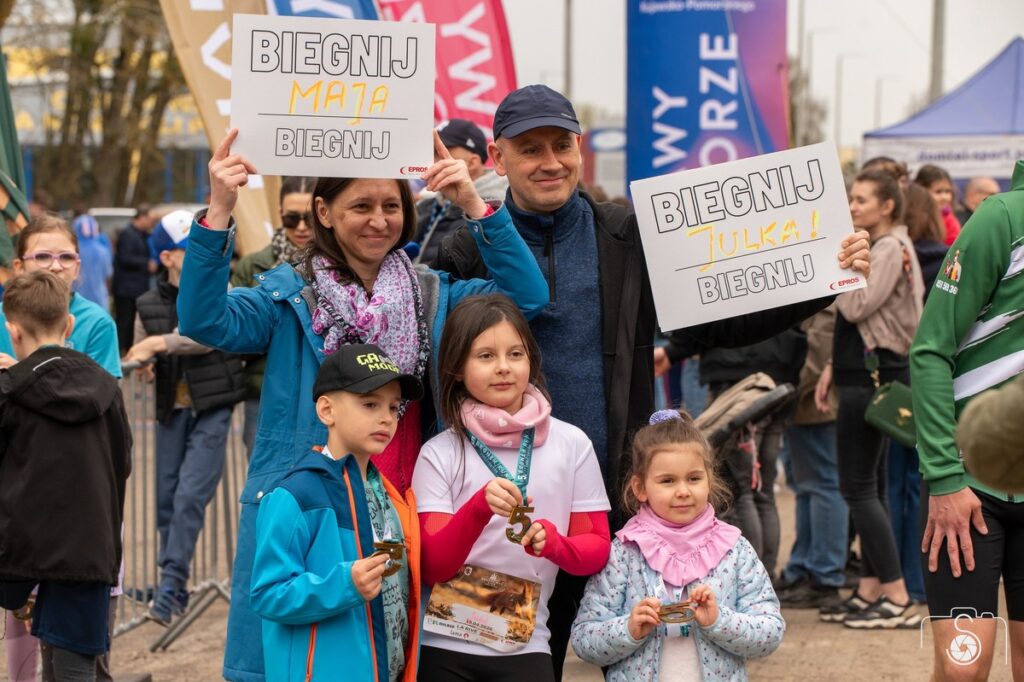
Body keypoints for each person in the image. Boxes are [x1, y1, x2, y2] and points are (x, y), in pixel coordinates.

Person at [435, 83, 871, 678]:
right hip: (498, 506)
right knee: (504, 663)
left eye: (561, 144)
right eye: (529, 148)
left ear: (580, 150)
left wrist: (826, 277)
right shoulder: (466, 244)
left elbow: (724, 317)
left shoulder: (628, 236)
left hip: (602, 498)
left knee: (625, 655)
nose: (550, 161)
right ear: (496, 155)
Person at [176, 129, 548, 682]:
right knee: (319, 659)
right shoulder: (286, 296)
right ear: (323, 211)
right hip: (320, 508)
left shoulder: (434, 294)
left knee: (400, 658)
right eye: (361, 206)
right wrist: (219, 210)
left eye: (391, 205)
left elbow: (526, 298)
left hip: (407, 504)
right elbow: (204, 320)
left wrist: (473, 202)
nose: (379, 219)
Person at [412, 293, 611, 681]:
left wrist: (554, 543)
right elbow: (433, 564)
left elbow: (596, 550)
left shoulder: (572, 444)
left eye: (515, 354)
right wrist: (478, 508)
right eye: (485, 356)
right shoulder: (440, 452)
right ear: (456, 368)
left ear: (531, 361)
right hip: (444, 644)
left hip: (526, 643)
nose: (503, 368)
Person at [911, 160, 1024, 681]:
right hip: (971, 490)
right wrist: (944, 477)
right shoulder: (1001, 217)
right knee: (964, 668)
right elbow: (931, 350)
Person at [251, 343, 423, 682]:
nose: (386, 417)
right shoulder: (295, 495)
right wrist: (344, 584)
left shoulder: (391, 495)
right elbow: (267, 593)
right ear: (327, 411)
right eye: (370, 403)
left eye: (392, 406)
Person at [570, 409, 784, 681]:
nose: (683, 490)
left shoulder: (734, 548)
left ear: (709, 479)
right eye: (668, 481)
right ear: (640, 488)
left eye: (694, 478)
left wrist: (720, 621)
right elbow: (583, 640)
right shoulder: (624, 552)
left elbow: (771, 632)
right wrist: (628, 629)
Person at [0, 215, 123, 681]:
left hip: (28, 542)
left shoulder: (10, 392)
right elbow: (122, 460)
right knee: (74, 666)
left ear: (14, 332)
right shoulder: (107, 391)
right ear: (68, 324)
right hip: (90, 544)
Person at [123, 209, 245, 626]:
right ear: (169, 258)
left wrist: (160, 343)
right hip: (171, 411)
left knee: (191, 494)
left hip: (213, 407)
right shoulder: (146, 304)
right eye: (185, 248)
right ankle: (172, 584)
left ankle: (172, 583)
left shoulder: (218, 288)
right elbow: (139, 354)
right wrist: (143, 367)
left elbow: (204, 336)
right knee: (164, 499)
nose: (195, 254)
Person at [815, 169, 924, 629]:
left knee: (857, 488)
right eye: (851, 198)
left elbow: (856, 306)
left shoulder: (885, 248)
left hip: (873, 379)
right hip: (862, 375)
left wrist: (832, 268)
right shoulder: (880, 246)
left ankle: (896, 595)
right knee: (872, 487)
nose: (853, 206)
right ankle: (869, 588)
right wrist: (829, 369)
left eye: (862, 200)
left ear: (888, 206)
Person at [230, 176, 315, 458]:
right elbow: (234, 328)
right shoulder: (253, 264)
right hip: (264, 390)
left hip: (320, 391)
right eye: (292, 218)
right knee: (265, 481)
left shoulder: (339, 265)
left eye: (308, 217)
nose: (301, 227)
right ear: (280, 215)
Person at [775, 307, 849, 609]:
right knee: (805, 486)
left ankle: (824, 576)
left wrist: (792, 387)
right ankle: (803, 567)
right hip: (805, 400)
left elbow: (820, 347)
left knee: (823, 486)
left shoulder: (827, 299)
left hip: (815, 400)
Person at [412, 119, 508, 266]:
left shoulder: (496, 210)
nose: (431, 162)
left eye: (440, 152)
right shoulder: (428, 205)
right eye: (430, 153)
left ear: (472, 163)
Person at [112, 204, 156, 352]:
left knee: (132, 323)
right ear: (142, 218)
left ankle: (130, 350)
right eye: (149, 219)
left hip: (136, 288)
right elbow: (125, 258)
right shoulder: (127, 235)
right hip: (126, 289)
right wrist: (146, 264)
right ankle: (118, 353)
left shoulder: (142, 235)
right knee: (124, 322)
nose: (151, 223)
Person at [71, 206, 114, 309]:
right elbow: (108, 276)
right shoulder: (102, 251)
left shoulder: (72, 251)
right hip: (99, 299)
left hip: (75, 300)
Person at [914, 164, 961, 246]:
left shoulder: (950, 221)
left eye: (947, 191)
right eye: (938, 192)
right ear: (922, 191)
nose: (944, 197)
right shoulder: (914, 218)